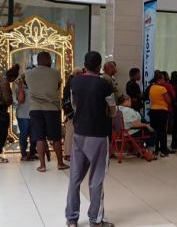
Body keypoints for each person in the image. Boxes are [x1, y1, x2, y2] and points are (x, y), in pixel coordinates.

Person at [65, 51, 115, 227]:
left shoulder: (75, 82)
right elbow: (113, 109)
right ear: (99, 66)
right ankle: (95, 220)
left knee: (75, 177)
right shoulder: (105, 84)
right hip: (99, 135)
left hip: (80, 134)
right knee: (96, 179)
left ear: (84, 65)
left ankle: (72, 219)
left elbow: (74, 104)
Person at [25, 52, 68, 172]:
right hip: (51, 108)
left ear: (37, 61)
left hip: (35, 109)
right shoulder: (55, 72)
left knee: (40, 138)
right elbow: (58, 86)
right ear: (47, 59)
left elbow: (26, 84)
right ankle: (60, 163)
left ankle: (42, 165)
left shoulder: (28, 74)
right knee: (56, 138)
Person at [0, 64, 19, 164]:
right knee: (1, 133)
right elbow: (6, 99)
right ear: (13, 77)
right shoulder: (5, 83)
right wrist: (12, 101)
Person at [63, 67, 84, 161]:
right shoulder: (74, 84)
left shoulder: (69, 83)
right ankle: (68, 153)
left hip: (70, 112)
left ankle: (69, 153)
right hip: (73, 112)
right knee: (71, 132)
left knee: (70, 132)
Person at [148, 71, 171, 156]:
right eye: (163, 79)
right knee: (162, 131)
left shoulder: (152, 87)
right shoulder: (162, 89)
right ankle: (164, 150)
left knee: (155, 131)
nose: (164, 81)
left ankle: (156, 149)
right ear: (159, 79)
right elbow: (168, 100)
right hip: (162, 111)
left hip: (153, 111)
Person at [16, 73, 36, 161]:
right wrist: (20, 87)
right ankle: (23, 154)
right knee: (24, 135)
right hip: (23, 115)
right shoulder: (19, 89)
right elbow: (20, 100)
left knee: (34, 136)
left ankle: (32, 153)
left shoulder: (35, 88)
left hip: (34, 115)